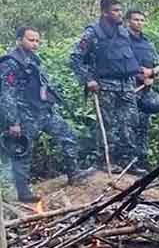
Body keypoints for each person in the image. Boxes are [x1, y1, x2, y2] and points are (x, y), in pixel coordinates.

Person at [0, 27, 92, 202]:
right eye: (31, 40)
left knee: (68, 135)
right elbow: (6, 94)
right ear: (20, 40)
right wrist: (13, 121)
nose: (35, 44)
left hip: (43, 111)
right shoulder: (9, 63)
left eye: (37, 41)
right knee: (23, 151)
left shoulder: (34, 60)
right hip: (24, 115)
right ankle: (24, 193)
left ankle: (74, 172)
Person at [69, 0, 151, 175]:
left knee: (130, 123)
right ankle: (105, 161)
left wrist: (140, 74)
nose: (119, 13)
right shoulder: (93, 32)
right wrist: (88, 79)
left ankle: (128, 162)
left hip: (127, 85)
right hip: (105, 85)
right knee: (107, 125)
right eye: (115, 10)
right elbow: (75, 58)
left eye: (120, 10)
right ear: (105, 12)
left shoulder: (123, 31)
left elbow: (127, 57)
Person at [126, 8, 159, 172]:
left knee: (144, 126)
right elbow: (122, 65)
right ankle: (129, 161)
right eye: (135, 20)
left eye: (141, 20)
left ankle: (142, 160)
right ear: (128, 21)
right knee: (128, 125)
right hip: (128, 90)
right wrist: (141, 74)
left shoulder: (147, 43)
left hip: (145, 91)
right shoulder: (123, 41)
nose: (139, 23)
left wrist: (152, 73)